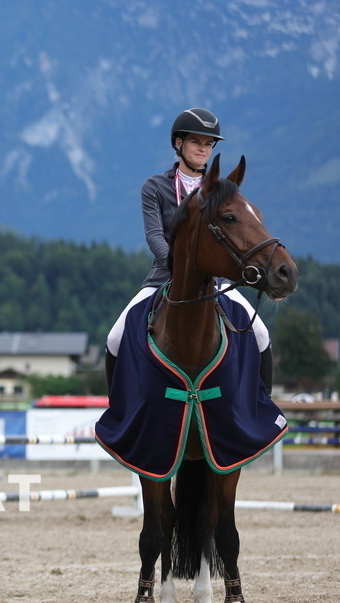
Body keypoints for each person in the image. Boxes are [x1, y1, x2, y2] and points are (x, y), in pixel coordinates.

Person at [105, 107, 273, 392]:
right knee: (115, 337)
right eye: (197, 142)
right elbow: (155, 236)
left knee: (260, 333)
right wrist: (179, 268)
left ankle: (263, 408)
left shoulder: (223, 191)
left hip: (216, 281)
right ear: (178, 143)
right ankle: (118, 410)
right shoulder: (155, 187)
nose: (203, 149)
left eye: (209, 144)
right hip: (163, 277)